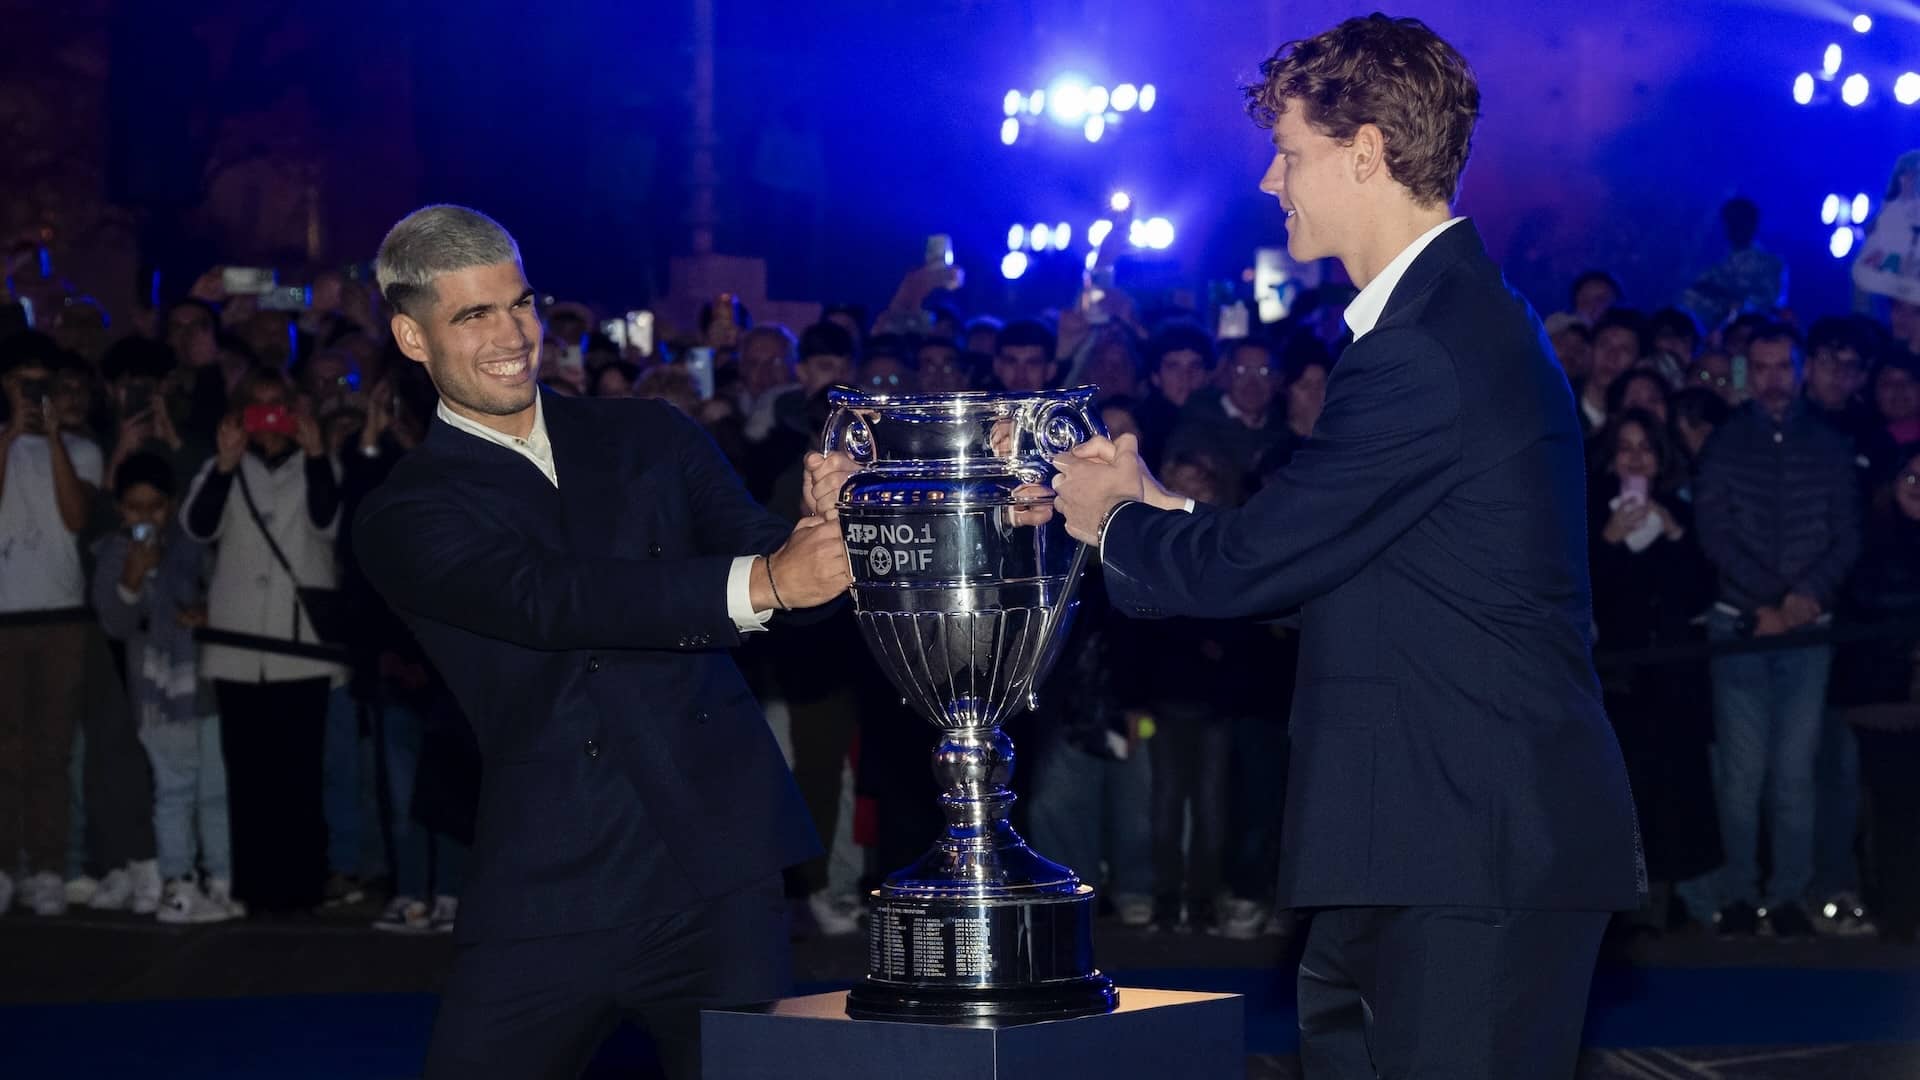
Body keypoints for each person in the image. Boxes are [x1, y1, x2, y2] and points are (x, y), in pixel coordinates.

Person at [1047, 17, 1642, 1077]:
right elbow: (1329, 537)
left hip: (1469, 853)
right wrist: (1148, 505)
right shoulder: (1442, 321)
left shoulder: (1427, 344)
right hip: (1422, 841)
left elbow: (1259, 560)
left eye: (1290, 152)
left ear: (1366, 153)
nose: (1273, 182)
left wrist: (1116, 523)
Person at [351, 205, 850, 1080]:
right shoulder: (406, 511)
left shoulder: (648, 434)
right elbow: (553, 600)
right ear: (412, 335)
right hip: (553, 882)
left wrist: (828, 531)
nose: (512, 334)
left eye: (519, 304)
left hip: (721, 867)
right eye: (474, 315)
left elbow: (783, 571)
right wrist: (765, 580)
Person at [1689, 323, 1860, 939]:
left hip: (1808, 629)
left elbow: (1848, 533)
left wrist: (1806, 598)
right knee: (1740, 775)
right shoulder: (1726, 445)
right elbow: (1714, 532)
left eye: (1780, 367)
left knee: (1793, 773)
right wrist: (1770, 601)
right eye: (1759, 368)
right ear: (1745, 373)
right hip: (1741, 624)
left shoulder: (1832, 445)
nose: (1771, 380)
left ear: (1799, 368)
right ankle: (1740, 892)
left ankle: (1790, 893)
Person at [90, 452, 241, 923]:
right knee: (175, 790)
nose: (144, 517)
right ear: (120, 509)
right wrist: (133, 576)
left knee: (215, 790)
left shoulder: (191, 543)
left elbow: (215, 595)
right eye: (134, 507)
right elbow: (115, 622)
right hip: (157, 695)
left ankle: (220, 881)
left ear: (171, 505)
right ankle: (177, 885)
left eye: (154, 506)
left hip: (205, 683)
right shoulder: (113, 551)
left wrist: (204, 612)